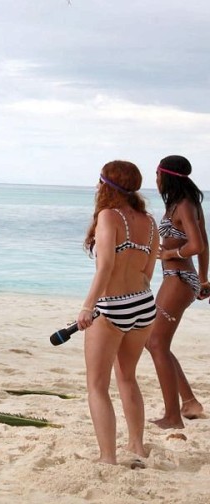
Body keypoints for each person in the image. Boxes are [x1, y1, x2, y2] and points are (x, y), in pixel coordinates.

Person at [77, 161, 158, 467]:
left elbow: (106, 266)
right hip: (143, 304)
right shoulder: (149, 222)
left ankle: (107, 457)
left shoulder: (108, 216)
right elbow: (149, 271)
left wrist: (88, 307)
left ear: (105, 185)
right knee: (127, 377)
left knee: (97, 385)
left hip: (112, 307)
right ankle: (136, 446)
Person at [146, 155, 208, 429]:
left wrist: (171, 252)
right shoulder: (186, 203)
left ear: (165, 175)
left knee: (156, 343)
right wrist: (204, 280)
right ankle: (189, 403)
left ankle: (173, 417)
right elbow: (205, 241)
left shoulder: (183, 204)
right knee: (156, 342)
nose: (155, 179)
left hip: (179, 278)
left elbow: (197, 245)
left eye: (157, 174)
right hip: (181, 278)